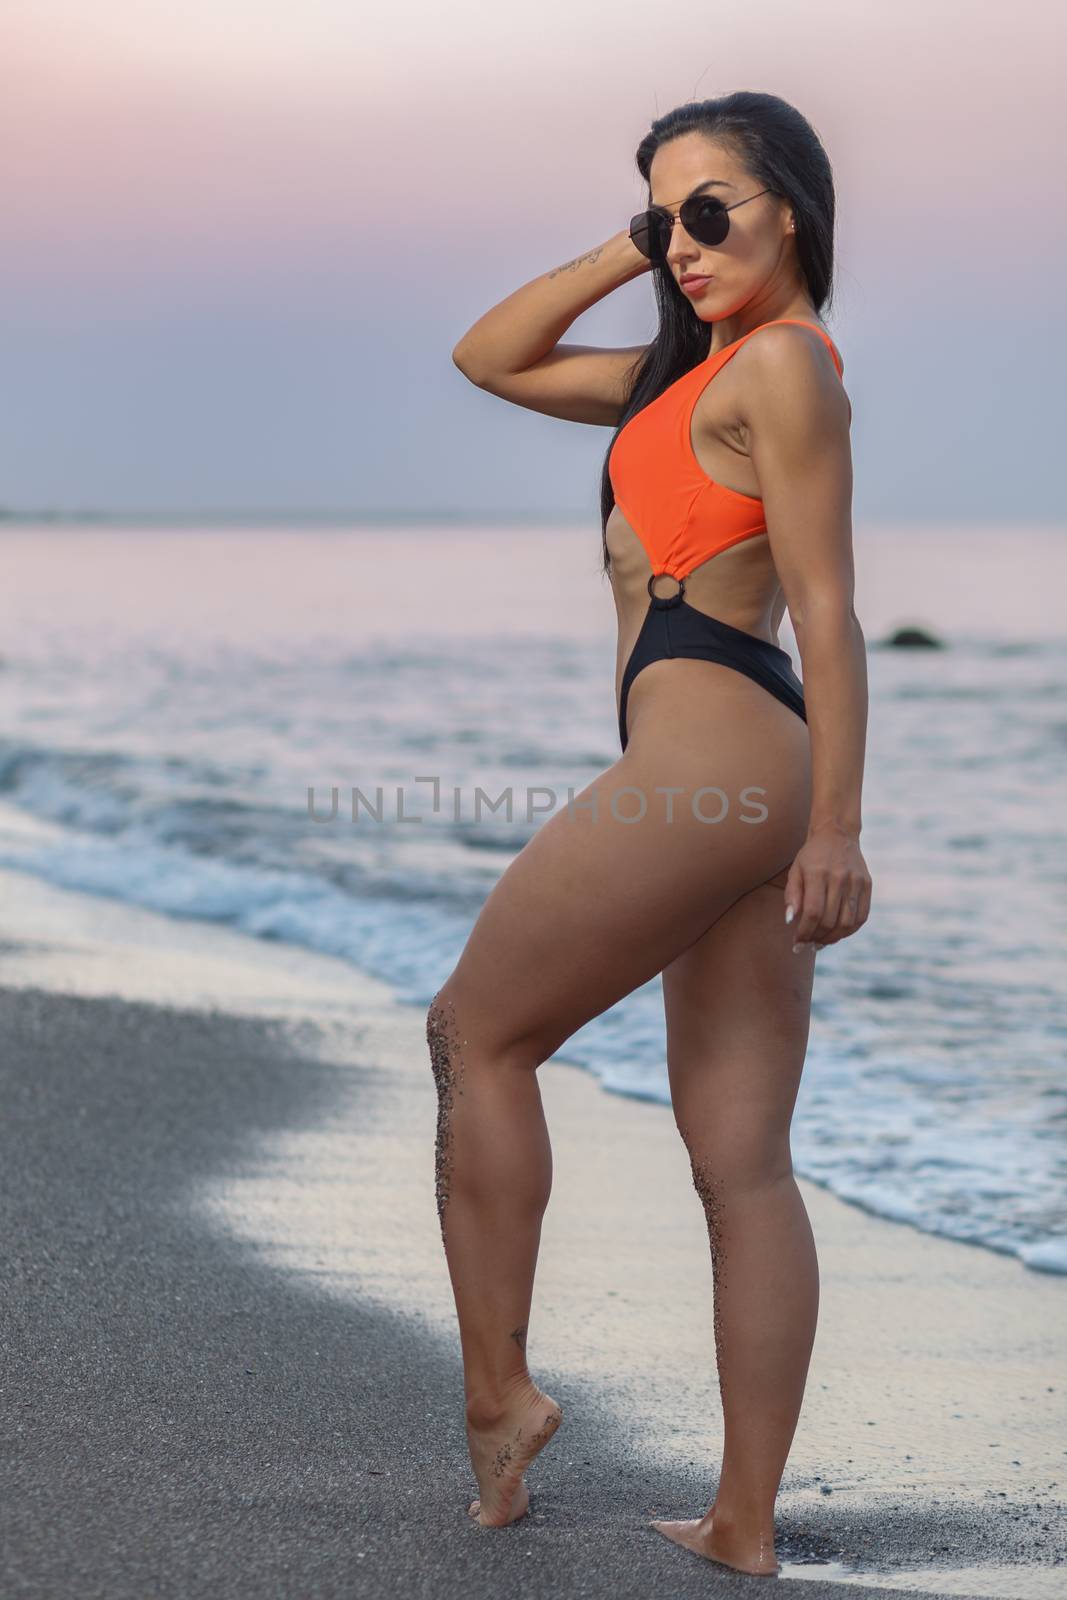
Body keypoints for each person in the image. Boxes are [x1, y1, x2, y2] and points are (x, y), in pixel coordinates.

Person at [427, 89, 872, 1577]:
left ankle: (502, 1396)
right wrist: (636, 246)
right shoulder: (682, 383)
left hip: (724, 759)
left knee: (475, 1036)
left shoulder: (788, 375)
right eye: (660, 214)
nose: (684, 243)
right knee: (739, 1159)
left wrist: (839, 828)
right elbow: (488, 357)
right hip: (737, 770)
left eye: (710, 211)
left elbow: (830, 609)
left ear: (789, 211)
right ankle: (742, 1526)